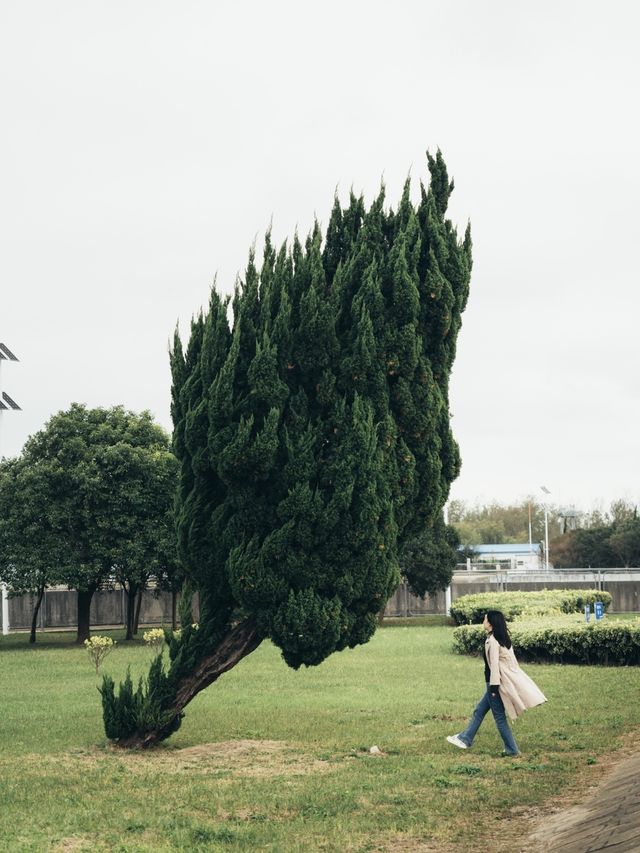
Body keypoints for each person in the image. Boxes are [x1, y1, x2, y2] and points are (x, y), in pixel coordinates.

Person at [446, 609, 546, 756]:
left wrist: (493, 689)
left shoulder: (493, 641)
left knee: (499, 717)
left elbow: (494, 666)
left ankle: (512, 749)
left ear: (491, 624)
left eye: (485, 620)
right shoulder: (502, 638)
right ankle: (465, 738)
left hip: (495, 684)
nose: (483, 622)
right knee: (479, 711)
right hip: (495, 683)